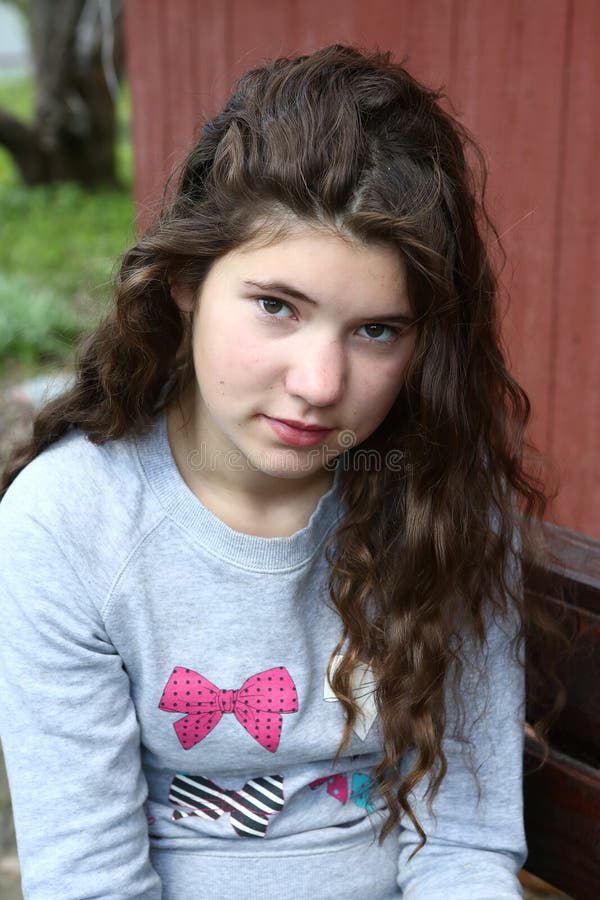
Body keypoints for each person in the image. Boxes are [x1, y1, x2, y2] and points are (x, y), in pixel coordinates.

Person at [0, 45, 564, 899]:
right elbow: (91, 882)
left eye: (377, 330)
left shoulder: (441, 502)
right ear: (186, 280)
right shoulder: (70, 522)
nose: (320, 384)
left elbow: (463, 850)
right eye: (277, 307)